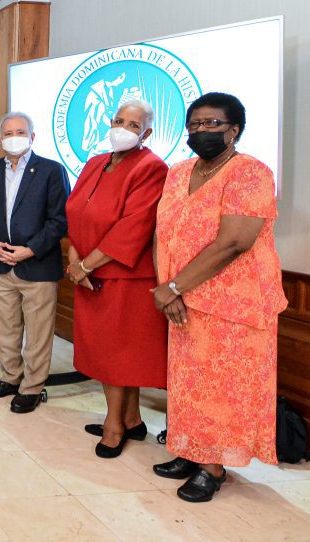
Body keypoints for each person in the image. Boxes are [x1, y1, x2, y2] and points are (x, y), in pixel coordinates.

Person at [152, 92, 286, 503]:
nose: (200, 131)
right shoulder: (178, 172)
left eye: (211, 124)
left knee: (222, 390)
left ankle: (213, 467)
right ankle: (192, 451)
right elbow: (163, 232)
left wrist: (174, 286)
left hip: (235, 305)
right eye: (194, 124)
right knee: (188, 382)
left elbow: (235, 242)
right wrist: (167, 287)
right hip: (184, 300)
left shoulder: (250, 173)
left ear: (234, 130)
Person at [65, 99, 168, 458]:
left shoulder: (152, 167)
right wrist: (74, 257)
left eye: (134, 125)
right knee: (109, 351)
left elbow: (134, 227)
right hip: (88, 273)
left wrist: (87, 265)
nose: (123, 129)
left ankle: (113, 426)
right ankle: (132, 419)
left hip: (125, 277)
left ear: (148, 133)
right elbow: (75, 210)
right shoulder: (95, 163)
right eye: (119, 121)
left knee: (120, 354)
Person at [0, 112, 69, 413]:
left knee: (38, 332)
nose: (14, 136)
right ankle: (10, 378)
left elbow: (59, 221)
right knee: (5, 329)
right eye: (8, 132)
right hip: (1, 263)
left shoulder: (51, 171)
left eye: (20, 131)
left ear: (32, 136)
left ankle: (32, 387)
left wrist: (29, 250)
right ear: (1, 138)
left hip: (37, 265)